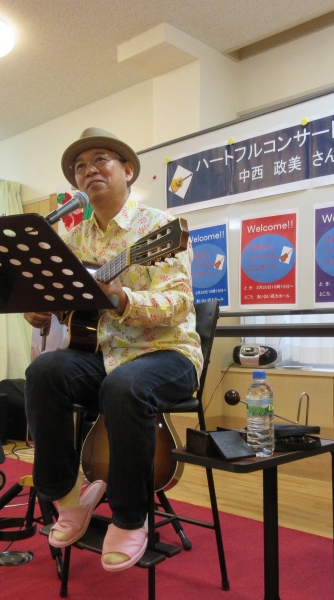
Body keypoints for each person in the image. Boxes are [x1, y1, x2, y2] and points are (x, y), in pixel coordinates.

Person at [23, 127, 202, 572]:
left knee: (124, 386)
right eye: (80, 166)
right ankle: (67, 496)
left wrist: (122, 299)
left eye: (100, 159)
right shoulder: (74, 240)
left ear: (128, 170)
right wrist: (41, 309)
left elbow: (180, 304)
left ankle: (130, 516)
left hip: (168, 353)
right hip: (102, 355)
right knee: (44, 372)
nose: (89, 170)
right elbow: (56, 297)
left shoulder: (158, 228)